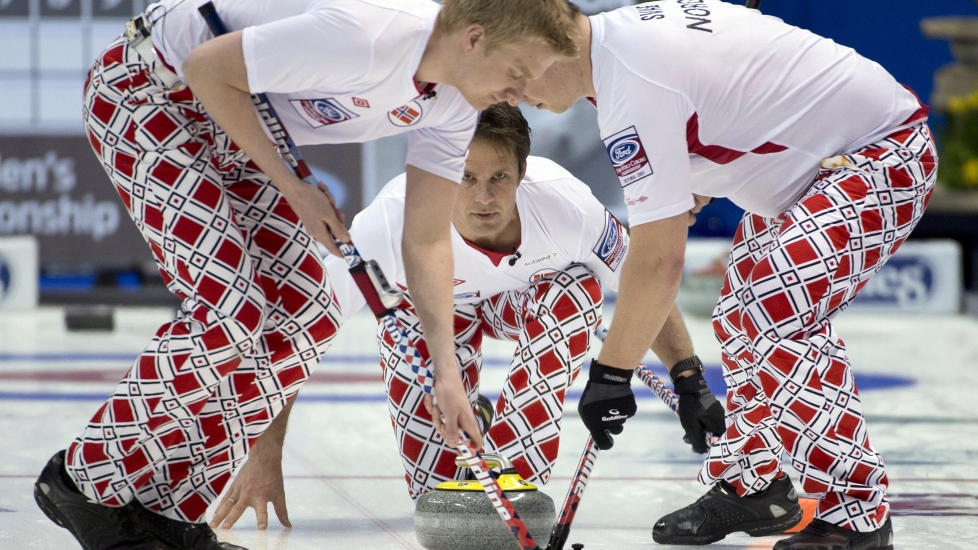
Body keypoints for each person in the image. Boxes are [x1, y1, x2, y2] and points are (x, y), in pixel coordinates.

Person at [32, 2, 580, 549]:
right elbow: (204, 68)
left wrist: (447, 374)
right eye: (516, 73)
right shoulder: (372, 35)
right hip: (152, 93)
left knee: (310, 316)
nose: (522, 92)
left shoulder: (457, 105)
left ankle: (171, 511)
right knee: (231, 311)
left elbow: (427, 238)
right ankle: (83, 479)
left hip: (233, 118)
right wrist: (294, 189)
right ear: (474, 40)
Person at [519, 2, 936, 549]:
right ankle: (752, 484)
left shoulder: (630, 82)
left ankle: (854, 514)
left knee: (775, 314)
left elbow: (658, 259)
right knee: (742, 319)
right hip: (814, 168)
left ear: (542, 45)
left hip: (878, 153)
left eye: (509, 72)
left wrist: (613, 375)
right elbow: (740, 93)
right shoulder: (618, 49)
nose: (506, 92)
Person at [207, 103, 724, 529]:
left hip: (519, 302)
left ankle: (514, 467)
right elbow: (297, 330)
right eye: (465, 177)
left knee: (576, 292)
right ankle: (471, 423)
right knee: (440, 503)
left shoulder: (569, 206)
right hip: (431, 317)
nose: (483, 196)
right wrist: (264, 449)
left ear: (523, 172)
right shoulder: (386, 225)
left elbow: (645, 283)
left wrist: (688, 378)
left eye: (500, 176)